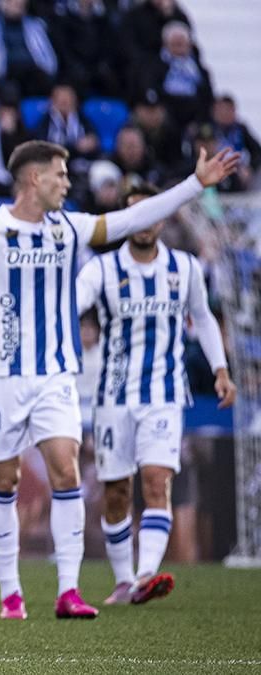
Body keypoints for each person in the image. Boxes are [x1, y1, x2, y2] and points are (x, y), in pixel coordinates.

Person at [0, 140, 239, 619]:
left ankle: (68, 591)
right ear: (34, 179)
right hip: (0, 377)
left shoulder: (70, 229)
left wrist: (192, 185)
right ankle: (10, 593)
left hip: (55, 376)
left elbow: (127, 221)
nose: (67, 183)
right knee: (3, 480)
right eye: (60, 174)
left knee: (66, 471)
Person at [74, 183, 236, 606]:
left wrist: (221, 369)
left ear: (162, 219)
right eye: (134, 214)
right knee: (116, 492)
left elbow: (202, 317)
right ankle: (124, 579)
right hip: (112, 397)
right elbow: (72, 304)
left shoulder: (184, 268)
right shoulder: (101, 270)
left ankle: (145, 574)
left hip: (164, 395)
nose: (144, 222)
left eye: (150, 213)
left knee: (157, 481)